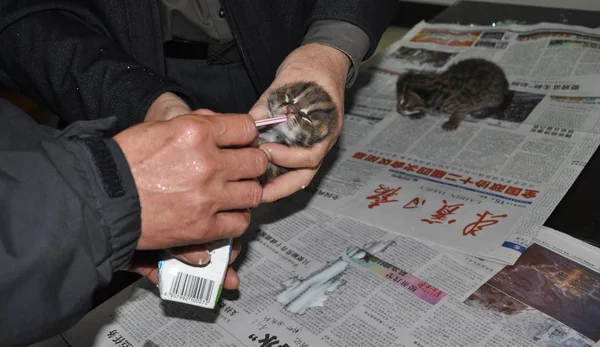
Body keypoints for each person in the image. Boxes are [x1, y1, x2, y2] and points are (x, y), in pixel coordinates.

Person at [0, 1, 398, 346]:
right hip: (121, 70)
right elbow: (24, 13)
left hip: (276, 57)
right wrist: (111, 189)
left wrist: (329, 47)